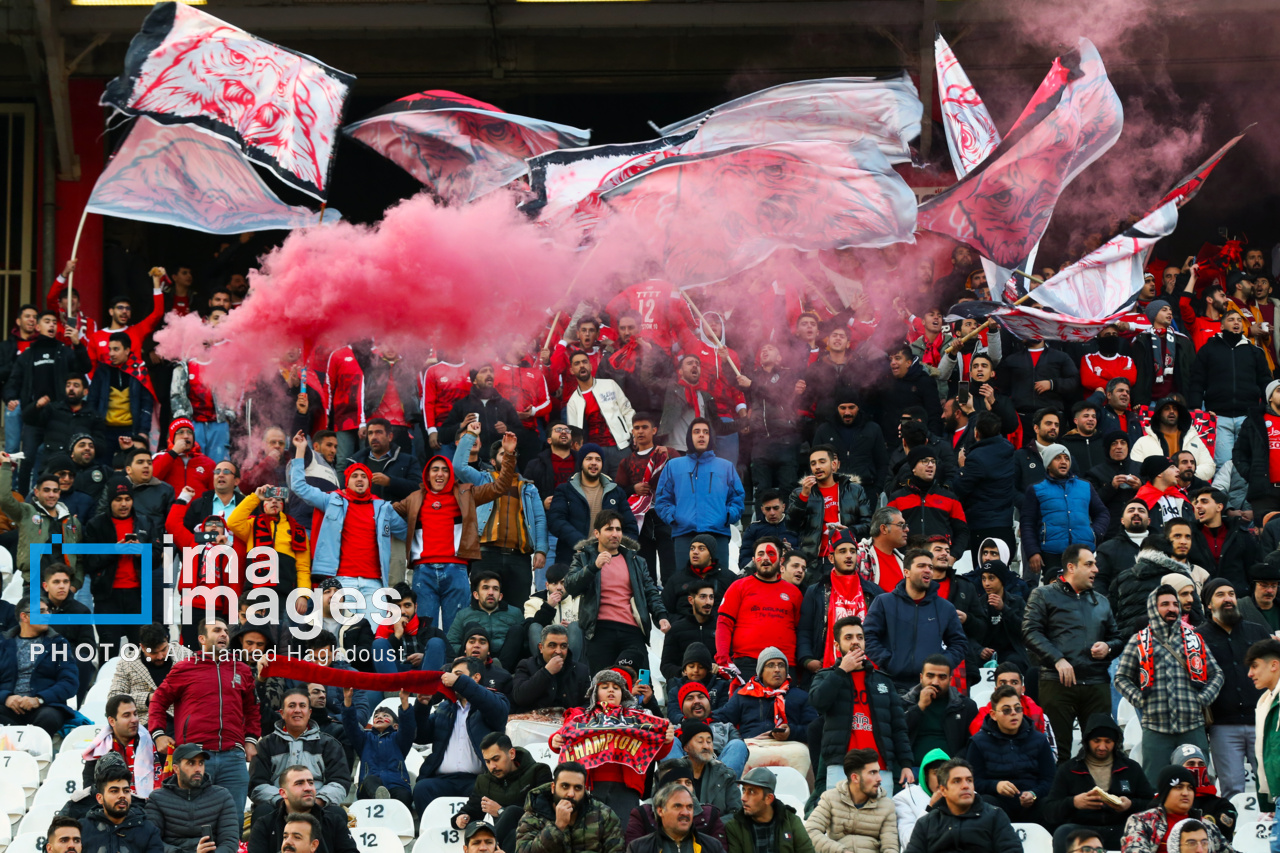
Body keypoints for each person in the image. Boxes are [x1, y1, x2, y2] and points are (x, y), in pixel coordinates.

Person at [388, 426, 516, 630]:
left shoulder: (466, 493)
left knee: (455, 630)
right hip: (423, 571)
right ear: (427, 474)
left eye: (445, 469)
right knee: (424, 632)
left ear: (451, 474)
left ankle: (453, 663)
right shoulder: (414, 498)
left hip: (456, 569)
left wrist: (508, 455)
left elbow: (500, 487)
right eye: (435, 469)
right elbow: (386, 513)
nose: (440, 474)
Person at [147, 616, 260, 826]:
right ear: (202, 638)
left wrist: (251, 740)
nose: (224, 634)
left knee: (232, 823)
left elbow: (252, 710)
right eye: (217, 630)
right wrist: (159, 734)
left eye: (226, 631)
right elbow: (158, 701)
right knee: (194, 822)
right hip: (195, 755)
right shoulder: (184, 668)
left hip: (233, 758)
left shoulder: (241, 670)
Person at [1114, 585, 1223, 785]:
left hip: (1192, 725)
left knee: (1198, 785)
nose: (1172, 608)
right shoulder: (1138, 641)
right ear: (1153, 608)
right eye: (1164, 604)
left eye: (1174, 604)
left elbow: (1217, 674)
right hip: (1156, 728)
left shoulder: (1194, 639)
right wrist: (1140, 700)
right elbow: (1120, 678)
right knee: (1156, 785)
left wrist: (1202, 699)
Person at [1024, 544, 1123, 759]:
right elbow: (1030, 632)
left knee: (1102, 752)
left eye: (1095, 564)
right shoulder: (1043, 595)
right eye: (1089, 564)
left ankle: (1100, 793)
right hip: (1056, 681)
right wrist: (1057, 659)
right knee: (1059, 752)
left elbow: (1117, 639)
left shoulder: (1103, 602)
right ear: (1071, 567)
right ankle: (1061, 793)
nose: (1096, 569)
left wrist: (1108, 647)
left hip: (1096, 684)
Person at [550, 665, 674, 821]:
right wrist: (554, 740)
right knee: (590, 834)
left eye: (616, 687)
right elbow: (564, 736)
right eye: (605, 686)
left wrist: (667, 741)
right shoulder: (581, 716)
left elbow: (656, 752)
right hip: (590, 785)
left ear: (624, 694)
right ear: (595, 692)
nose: (611, 690)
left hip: (626, 788)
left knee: (624, 835)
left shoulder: (639, 718)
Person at [808, 616, 913, 794]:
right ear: (836, 645)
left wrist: (906, 764)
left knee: (879, 820)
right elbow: (818, 703)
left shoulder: (883, 681)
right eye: (848, 637)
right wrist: (842, 671)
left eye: (860, 637)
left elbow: (898, 726)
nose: (855, 641)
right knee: (842, 821)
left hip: (879, 766)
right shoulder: (825, 676)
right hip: (841, 766)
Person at [564, 510, 670, 673]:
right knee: (603, 687)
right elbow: (570, 586)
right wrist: (593, 568)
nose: (615, 534)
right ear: (597, 533)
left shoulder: (636, 561)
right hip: (600, 630)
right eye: (609, 529)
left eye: (618, 529)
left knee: (642, 686)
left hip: (632, 630)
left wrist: (661, 616)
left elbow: (650, 591)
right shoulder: (584, 557)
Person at [453, 429, 548, 607]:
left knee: (518, 611)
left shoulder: (528, 488)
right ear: (492, 461)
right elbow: (459, 466)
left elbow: (539, 520)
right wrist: (471, 436)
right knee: (480, 608)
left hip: (519, 557)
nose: (507, 456)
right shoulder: (482, 480)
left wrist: (541, 550)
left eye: (511, 454)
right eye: (503, 453)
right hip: (486, 555)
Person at [1198, 577, 1270, 800]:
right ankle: (1234, 834)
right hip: (1223, 725)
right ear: (1209, 604)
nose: (1228, 599)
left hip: (1261, 721)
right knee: (1232, 789)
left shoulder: (1257, 632)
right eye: (1220, 595)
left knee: (1271, 786)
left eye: (1231, 594)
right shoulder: (1198, 637)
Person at [413, 656, 511, 813]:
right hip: (443, 780)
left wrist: (460, 683)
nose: (450, 679)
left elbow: (497, 711)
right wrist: (422, 707)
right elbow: (421, 736)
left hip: (479, 780)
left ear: (476, 678)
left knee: (488, 793)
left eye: (457, 674)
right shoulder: (444, 708)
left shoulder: (494, 701)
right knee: (422, 788)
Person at [1043, 714, 1151, 853]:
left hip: (1120, 828)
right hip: (1082, 830)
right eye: (1097, 740)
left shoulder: (1131, 768)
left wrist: (1130, 805)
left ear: (1116, 742)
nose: (1102, 747)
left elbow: (1150, 803)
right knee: (1062, 833)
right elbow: (1049, 810)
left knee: (1142, 832)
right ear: (1087, 740)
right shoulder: (1069, 769)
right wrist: (1074, 802)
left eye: (1108, 741)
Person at [863, 549, 967, 690]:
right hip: (891, 684)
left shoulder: (945, 607)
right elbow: (867, 636)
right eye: (921, 566)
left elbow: (959, 644)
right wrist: (888, 661)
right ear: (906, 572)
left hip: (930, 686)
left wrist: (941, 664)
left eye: (930, 567)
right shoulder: (883, 602)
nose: (928, 570)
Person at [654, 418, 744, 572]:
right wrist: (674, 517)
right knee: (686, 585)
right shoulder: (673, 466)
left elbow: (737, 499)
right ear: (690, 437)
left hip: (718, 534)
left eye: (705, 432)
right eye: (696, 432)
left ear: (711, 437)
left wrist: (727, 516)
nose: (701, 435)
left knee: (718, 585)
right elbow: (662, 500)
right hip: (684, 534)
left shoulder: (726, 466)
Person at [248, 688, 353, 814]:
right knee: (262, 811)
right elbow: (256, 784)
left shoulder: (329, 744)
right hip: (277, 806)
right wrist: (283, 802)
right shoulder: (265, 745)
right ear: (282, 713)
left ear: (309, 713)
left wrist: (317, 802)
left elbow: (340, 782)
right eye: (291, 706)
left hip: (318, 805)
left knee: (337, 813)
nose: (297, 710)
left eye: (302, 706)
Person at [797, 531, 886, 675]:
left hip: (869, 669)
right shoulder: (816, 591)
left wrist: (882, 659)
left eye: (853, 551)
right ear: (831, 557)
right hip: (827, 668)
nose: (849, 555)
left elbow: (883, 631)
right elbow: (805, 630)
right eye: (842, 551)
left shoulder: (874, 592)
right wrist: (807, 659)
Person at [718, 648, 818, 776]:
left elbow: (814, 729)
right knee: (738, 752)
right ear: (761, 672)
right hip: (752, 744)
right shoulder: (744, 694)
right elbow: (723, 718)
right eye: (771, 665)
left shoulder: (801, 696)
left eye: (781, 665)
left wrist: (791, 732)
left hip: (790, 745)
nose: (777, 669)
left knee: (801, 754)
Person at [1021, 444, 1110, 584]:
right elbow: (1027, 523)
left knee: (1084, 591)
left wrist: (1094, 533)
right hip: (1051, 554)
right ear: (1048, 464)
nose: (1063, 462)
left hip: (1082, 552)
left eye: (1066, 458)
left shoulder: (1085, 486)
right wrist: (1033, 552)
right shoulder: (1036, 489)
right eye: (1057, 458)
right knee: (1056, 596)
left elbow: (1102, 513)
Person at [966, 685, 1055, 822]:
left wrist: (1034, 794)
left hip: (1032, 803)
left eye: (1018, 708)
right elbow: (973, 782)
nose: (1014, 713)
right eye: (1007, 710)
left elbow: (1050, 780)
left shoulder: (1039, 739)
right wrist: (996, 786)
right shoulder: (978, 742)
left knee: (1050, 804)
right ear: (993, 715)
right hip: (998, 803)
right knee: (984, 802)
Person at [453, 733, 552, 853]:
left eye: (496, 759)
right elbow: (472, 810)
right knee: (511, 834)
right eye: (487, 761)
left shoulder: (539, 771)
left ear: (511, 754)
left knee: (511, 812)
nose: (492, 766)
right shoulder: (484, 781)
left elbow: (544, 811)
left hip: (535, 835)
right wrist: (461, 819)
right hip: (505, 841)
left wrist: (501, 811)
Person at [715, 542, 802, 674]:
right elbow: (724, 623)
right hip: (747, 663)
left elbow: (801, 630)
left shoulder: (794, 593)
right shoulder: (738, 586)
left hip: (784, 664)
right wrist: (723, 659)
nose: (766, 558)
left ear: (781, 560)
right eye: (761, 554)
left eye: (771, 554)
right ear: (754, 560)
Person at [901, 758, 1021, 853]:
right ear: (943, 790)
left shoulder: (995, 816)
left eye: (969, 780)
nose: (965, 786)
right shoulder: (926, 823)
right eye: (957, 781)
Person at [547, 442, 638, 565]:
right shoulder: (565, 490)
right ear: (581, 463)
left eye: (598, 459)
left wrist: (620, 549)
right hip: (573, 558)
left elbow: (630, 525)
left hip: (609, 560)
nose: (594, 463)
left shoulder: (616, 492)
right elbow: (555, 521)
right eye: (589, 459)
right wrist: (582, 543)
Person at [785, 444, 874, 567]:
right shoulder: (799, 493)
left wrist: (850, 531)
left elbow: (869, 525)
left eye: (822, 462)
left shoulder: (855, 490)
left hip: (847, 557)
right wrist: (803, 497)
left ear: (833, 465)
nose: (817, 467)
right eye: (813, 463)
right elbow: (791, 525)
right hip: (814, 561)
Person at [0, 459, 83, 588]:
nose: (51, 495)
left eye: (55, 491)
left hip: (63, 586)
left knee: (81, 609)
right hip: (34, 583)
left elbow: (79, 558)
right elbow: (4, 499)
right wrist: (5, 466)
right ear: (37, 492)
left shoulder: (72, 522)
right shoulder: (27, 513)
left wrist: (75, 584)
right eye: (46, 490)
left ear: (59, 493)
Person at [144, 743, 239, 853]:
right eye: (191, 763)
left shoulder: (222, 796)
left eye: (201, 763)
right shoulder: (158, 798)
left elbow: (230, 841)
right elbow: (152, 840)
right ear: (176, 768)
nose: (198, 769)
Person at [0, 597, 77, 733]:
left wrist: (39, 699)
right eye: (41, 611)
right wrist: (6, 697)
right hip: (8, 707)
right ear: (24, 616)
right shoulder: (3, 643)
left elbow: (70, 682)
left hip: (44, 706)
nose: (47, 615)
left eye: (48, 611)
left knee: (49, 718)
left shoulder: (58, 643)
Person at [515, 761, 624, 853]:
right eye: (565, 786)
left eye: (577, 788)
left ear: (584, 790)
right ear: (553, 788)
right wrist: (557, 827)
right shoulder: (533, 817)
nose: (571, 794)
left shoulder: (604, 815)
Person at [802, 748, 897, 853]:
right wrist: (841, 851)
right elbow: (810, 831)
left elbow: (890, 848)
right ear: (855, 778)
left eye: (878, 772)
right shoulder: (831, 798)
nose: (879, 778)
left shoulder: (887, 806)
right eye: (873, 772)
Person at [245, 766, 358, 853]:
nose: (308, 788)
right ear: (283, 793)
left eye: (311, 783)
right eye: (299, 783)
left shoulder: (334, 821)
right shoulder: (265, 823)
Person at [1111, 528, 1200, 639]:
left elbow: (1110, 613)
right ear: (1169, 554)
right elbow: (1196, 614)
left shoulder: (1122, 577)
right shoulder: (1181, 577)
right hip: (1170, 641)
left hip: (1128, 641)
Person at [1120, 766, 1232, 853]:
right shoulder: (1142, 821)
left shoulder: (1207, 826)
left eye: (1190, 788)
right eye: (1179, 787)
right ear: (1165, 792)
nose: (1185, 793)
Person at [953, 410, 1017, 558]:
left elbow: (960, 487)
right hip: (1005, 524)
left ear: (976, 433)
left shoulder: (976, 458)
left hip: (983, 526)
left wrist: (962, 467)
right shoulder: (1008, 449)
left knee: (983, 573)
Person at [887, 449, 971, 558]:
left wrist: (953, 556)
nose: (930, 465)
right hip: (906, 562)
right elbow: (888, 531)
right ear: (913, 468)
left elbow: (963, 531)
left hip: (940, 563)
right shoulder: (896, 498)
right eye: (925, 461)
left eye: (933, 462)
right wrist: (900, 555)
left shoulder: (950, 498)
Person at [341, 689, 415, 808]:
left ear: (396, 726)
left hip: (397, 785)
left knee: (403, 795)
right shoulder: (364, 739)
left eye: (385, 716)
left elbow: (408, 727)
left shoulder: (399, 739)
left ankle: (388, 805)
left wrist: (404, 701)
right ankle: (381, 797)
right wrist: (348, 700)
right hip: (368, 790)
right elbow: (350, 725)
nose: (379, 717)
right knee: (370, 780)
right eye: (376, 716)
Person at [563, 351, 635, 474]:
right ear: (571, 370)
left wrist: (632, 434)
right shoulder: (572, 402)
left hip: (620, 447)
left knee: (626, 489)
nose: (582, 366)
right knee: (600, 491)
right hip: (594, 454)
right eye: (577, 363)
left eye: (584, 362)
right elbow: (575, 435)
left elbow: (627, 411)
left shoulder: (610, 384)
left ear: (590, 366)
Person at [901, 655, 979, 765]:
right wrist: (919, 707)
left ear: (950, 680)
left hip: (951, 770)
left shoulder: (965, 706)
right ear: (921, 677)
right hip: (912, 769)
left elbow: (972, 743)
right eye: (930, 676)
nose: (935, 682)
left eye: (942, 677)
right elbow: (898, 734)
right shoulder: (904, 703)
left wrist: (954, 764)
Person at [79, 754, 165, 853]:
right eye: (114, 791)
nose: (122, 796)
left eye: (126, 791)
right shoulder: (82, 829)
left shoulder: (148, 830)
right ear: (100, 798)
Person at [811, 393, 888, 498]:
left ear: (858, 408)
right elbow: (813, 462)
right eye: (843, 408)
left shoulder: (873, 429)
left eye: (851, 407)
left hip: (866, 490)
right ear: (837, 408)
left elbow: (882, 463)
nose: (847, 412)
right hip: (833, 491)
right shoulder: (824, 430)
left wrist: (877, 490)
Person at [1188, 486, 1262, 593]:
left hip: (1236, 599)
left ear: (1219, 507)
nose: (1198, 506)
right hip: (1203, 599)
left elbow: (1252, 570)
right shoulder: (1189, 536)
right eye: (1196, 503)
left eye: (1204, 502)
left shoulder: (1241, 535)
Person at [723, 767, 814, 853]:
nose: (743, 798)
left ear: (768, 798)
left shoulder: (791, 822)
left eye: (751, 792)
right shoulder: (734, 827)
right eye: (743, 791)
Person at [1130, 396, 1216, 483]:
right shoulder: (1143, 442)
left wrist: (1186, 474)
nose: (1172, 411)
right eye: (1167, 408)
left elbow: (1210, 466)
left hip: (1188, 491)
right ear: (1158, 414)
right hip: (1156, 492)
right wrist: (1163, 478)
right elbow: (1136, 471)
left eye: (1175, 409)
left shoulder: (1194, 439)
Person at [626, 779, 726, 853]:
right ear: (660, 811)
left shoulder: (712, 847)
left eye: (689, 807)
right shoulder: (639, 848)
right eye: (678, 806)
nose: (685, 813)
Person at [511, 624, 591, 713]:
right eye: (552, 645)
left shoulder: (581, 670)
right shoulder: (526, 665)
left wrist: (572, 715)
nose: (558, 651)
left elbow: (589, 703)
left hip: (569, 723)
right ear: (541, 647)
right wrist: (546, 672)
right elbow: (520, 698)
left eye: (563, 646)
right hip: (534, 722)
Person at [670, 720, 744, 815]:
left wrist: (714, 826)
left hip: (718, 828)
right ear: (686, 747)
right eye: (700, 741)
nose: (706, 746)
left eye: (709, 742)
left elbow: (736, 813)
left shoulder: (726, 775)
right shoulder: (671, 775)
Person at [1170, 744, 1238, 842]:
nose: (1197, 768)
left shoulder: (1222, 804)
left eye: (1201, 764)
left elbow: (1225, 829)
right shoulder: (1165, 802)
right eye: (1191, 764)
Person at [661, 535, 739, 621]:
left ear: (711, 555)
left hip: (717, 631)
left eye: (701, 549)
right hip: (684, 632)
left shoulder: (728, 578)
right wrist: (681, 625)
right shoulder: (676, 579)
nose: (695, 552)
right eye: (692, 548)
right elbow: (662, 612)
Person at [1131, 300, 1194, 405]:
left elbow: (1191, 372)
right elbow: (1138, 374)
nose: (1169, 312)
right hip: (1148, 401)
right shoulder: (1141, 340)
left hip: (1176, 401)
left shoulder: (1183, 341)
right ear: (1154, 315)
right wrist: (1138, 400)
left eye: (1170, 310)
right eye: (1164, 310)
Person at [446, 571, 524, 654]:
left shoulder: (515, 613)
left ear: (500, 596)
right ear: (476, 595)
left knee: (517, 630)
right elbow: (451, 643)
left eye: (495, 589)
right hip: (474, 660)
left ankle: (499, 666)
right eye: (485, 588)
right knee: (472, 626)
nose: (491, 593)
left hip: (507, 660)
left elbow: (524, 643)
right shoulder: (463, 614)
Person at [1234, 379, 1280, 518]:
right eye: (1279, 390)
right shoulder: (1255, 421)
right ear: (1270, 397)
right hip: (1264, 492)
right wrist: (1253, 475)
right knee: (1265, 536)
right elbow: (1239, 452)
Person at [661, 584, 721, 681]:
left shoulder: (721, 628)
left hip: (716, 683)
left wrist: (719, 667)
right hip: (683, 685)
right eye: (703, 597)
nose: (708, 602)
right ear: (691, 600)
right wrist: (684, 672)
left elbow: (732, 659)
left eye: (711, 597)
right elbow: (666, 665)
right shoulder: (676, 629)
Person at [1095, 499, 1151, 597]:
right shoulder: (1107, 548)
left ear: (1149, 521)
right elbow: (1098, 581)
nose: (1136, 513)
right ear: (1122, 520)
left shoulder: (1163, 546)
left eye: (1141, 511)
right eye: (1131, 510)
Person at [738, 490, 800, 571]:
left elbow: (806, 554)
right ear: (762, 509)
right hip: (762, 573)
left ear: (783, 507)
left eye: (775, 508)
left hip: (789, 571)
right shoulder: (753, 529)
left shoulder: (795, 526)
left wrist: (791, 552)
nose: (772, 512)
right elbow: (744, 560)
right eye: (768, 509)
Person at [1241, 558, 1280, 631]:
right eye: (1264, 585)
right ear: (1253, 586)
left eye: (1274, 586)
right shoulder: (1241, 608)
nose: (1270, 591)